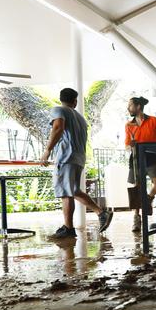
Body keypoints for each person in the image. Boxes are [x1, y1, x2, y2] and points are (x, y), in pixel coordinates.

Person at [41, 88, 113, 238]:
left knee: (66, 193)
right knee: (73, 190)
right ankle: (102, 213)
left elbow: (58, 127)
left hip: (67, 157)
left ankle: (68, 228)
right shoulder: (80, 118)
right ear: (75, 101)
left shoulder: (58, 110)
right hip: (79, 158)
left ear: (61, 99)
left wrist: (47, 150)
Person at [124, 96, 156, 232]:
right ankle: (136, 219)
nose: (128, 108)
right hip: (136, 157)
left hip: (152, 156)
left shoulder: (154, 121)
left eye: (130, 105)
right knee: (137, 188)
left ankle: (148, 199)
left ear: (138, 107)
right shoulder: (128, 125)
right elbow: (126, 146)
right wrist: (129, 145)